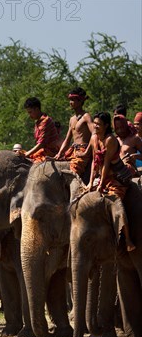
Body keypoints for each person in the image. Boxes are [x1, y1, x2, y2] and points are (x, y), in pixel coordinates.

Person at [84, 112, 135, 251]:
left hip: (117, 179)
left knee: (116, 203)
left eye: (98, 124)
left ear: (106, 126)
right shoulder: (94, 138)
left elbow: (106, 163)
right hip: (103, 177)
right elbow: (95, 162)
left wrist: (100, 184)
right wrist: (90, 183)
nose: (95, 126)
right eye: (94, 123)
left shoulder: (110, 140)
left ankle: (128, 239)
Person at [54, 88, 94, 177]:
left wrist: (86, 152)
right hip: (73, 151)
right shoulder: (72, 119)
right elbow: (67, 140)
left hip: (83, 151)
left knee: (72, 172)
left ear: (80, 101)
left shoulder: (86, 116)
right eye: (70, 100)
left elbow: (95, 135)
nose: (70, 102)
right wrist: (59, 153)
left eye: (73, 100)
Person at [23, 97, 62, 162]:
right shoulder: (38, 122)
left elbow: (42, 143)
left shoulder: (46, 121)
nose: (29, 115)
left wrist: (28, 153)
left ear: (37, 109)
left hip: (51, 152)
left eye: (30, 112)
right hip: (42, 150)